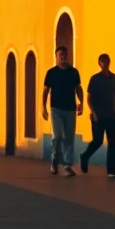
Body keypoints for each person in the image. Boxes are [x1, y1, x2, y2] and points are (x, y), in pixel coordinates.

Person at [41, 45, 84, 176]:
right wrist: (43, 107)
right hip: (56, 109)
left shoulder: (73, 72)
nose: (62, 57)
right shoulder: (51, 73)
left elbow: (78, 88)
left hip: (70, 109)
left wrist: (81, 103)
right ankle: (54, 160)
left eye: (64, 55)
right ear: (56, 56)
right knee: (58, 136)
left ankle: (67, 164)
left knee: (69, 137)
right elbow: (45, 90)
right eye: (60, 55)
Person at [81, 53, 115, 178]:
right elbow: (89, 98)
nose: (105, 63)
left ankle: (111, 170)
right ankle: (85, 156)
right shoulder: (95, 79)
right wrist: (93, 112)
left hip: (112, 115)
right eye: (102, 61)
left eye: (106, 61)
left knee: (112, 143)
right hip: (98, 116)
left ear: (109, 62)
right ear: (99, 63)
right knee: (98, 141)